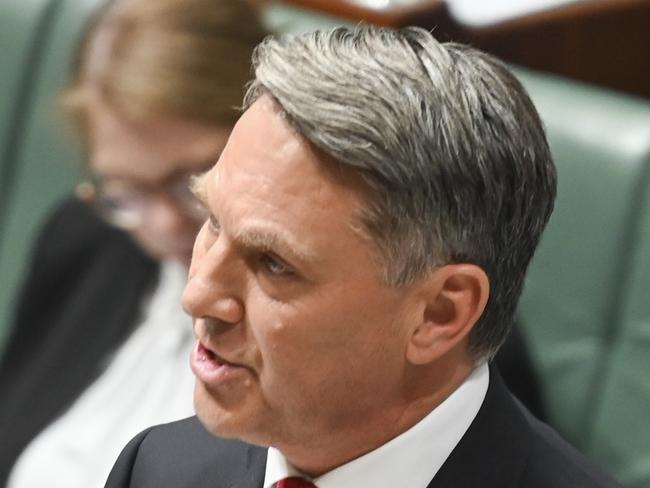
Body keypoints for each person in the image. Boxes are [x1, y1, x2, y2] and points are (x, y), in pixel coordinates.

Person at [105, 26, 619, 488]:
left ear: (439, 312)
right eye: (213, 222)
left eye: (274, 264)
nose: (198, 295)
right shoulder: (157, 469)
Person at [0, 0, 268, 486]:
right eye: (128, 189)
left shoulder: (303, 309)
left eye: (191, 178)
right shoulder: (88, 240)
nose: (165, 224)